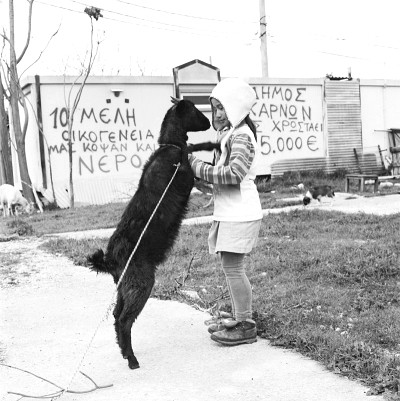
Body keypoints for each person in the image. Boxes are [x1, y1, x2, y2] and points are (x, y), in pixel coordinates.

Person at [188, 77, 263, 346]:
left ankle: (245, 324)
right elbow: (221, 180)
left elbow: (234, 174)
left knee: (233, 268)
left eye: (222, 108)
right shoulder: (230, 134)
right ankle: (239, 316)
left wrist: (196, 166)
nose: (217, 114)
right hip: (231, 212)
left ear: (236, 108)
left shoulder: (241, 136)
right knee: (231, 267)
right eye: (214, 108)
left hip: (240, 214)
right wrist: (198, 180)